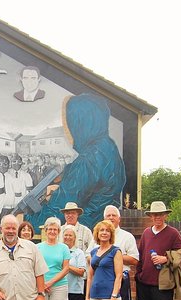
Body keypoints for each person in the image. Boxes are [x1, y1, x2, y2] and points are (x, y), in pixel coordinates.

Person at [26, 93, 126, 231]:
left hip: (80, 234)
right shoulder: (110, 148)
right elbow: (93, 192)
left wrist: (25, 220)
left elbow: (53, 217)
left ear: (80, 123)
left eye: (70, 122)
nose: (68, 130)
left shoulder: (86, 162)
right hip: (100, 230)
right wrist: (59, 189)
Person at [60, 201, 92, 300]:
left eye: (73, 212)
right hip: (61, 281)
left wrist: (73, 264)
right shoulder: (60, 230)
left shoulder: (86, 231)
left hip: (79, 279)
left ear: (78, 213)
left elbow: (90, 252)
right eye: (67, 212)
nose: (70, 215)